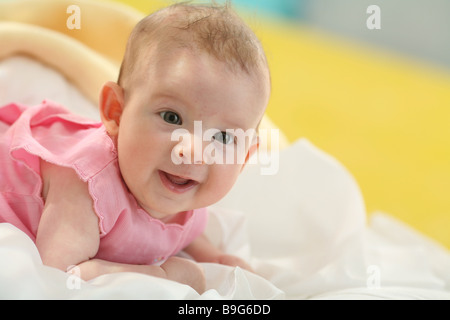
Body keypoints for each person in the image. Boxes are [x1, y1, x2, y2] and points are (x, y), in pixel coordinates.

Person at [0, 2, 270, 293]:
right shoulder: (86, 189)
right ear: (115, 111)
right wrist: (162, 274)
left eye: (223, 137)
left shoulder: (187, 189)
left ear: (243, 158)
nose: (194, 150)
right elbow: (58, 276)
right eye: (172, 117)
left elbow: (180, 228)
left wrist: (214, 257)